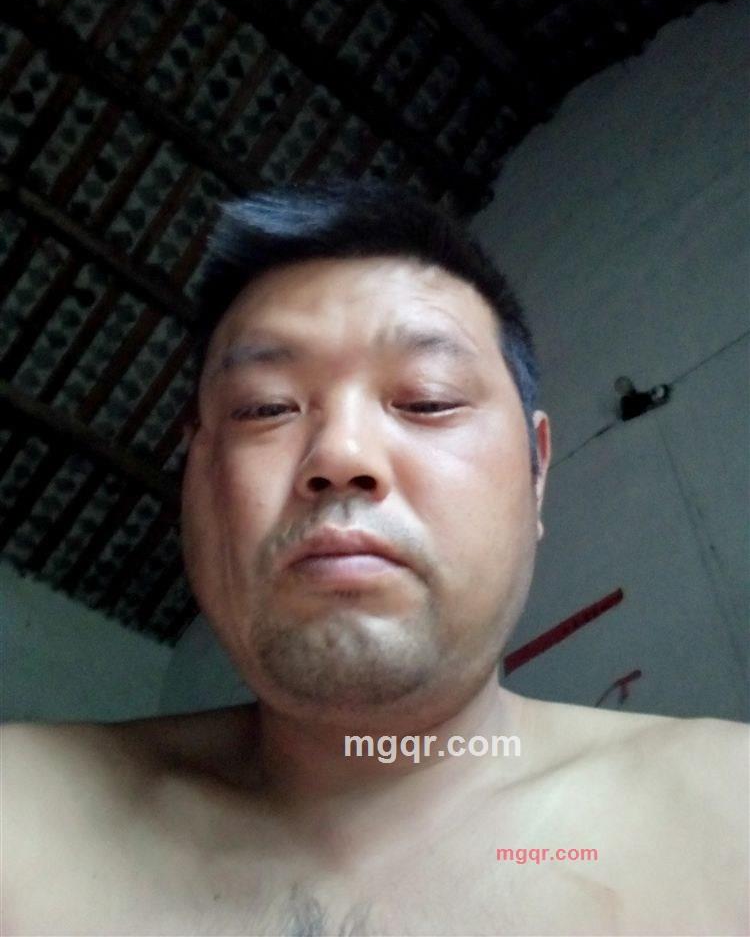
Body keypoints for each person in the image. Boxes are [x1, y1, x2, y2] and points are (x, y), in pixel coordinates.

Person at [2, 180, 747, 936]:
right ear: (194, 472)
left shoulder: (726, 817)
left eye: (427, 400)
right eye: (265, 408)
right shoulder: (18, 823)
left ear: (536, 472)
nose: (341, 454)